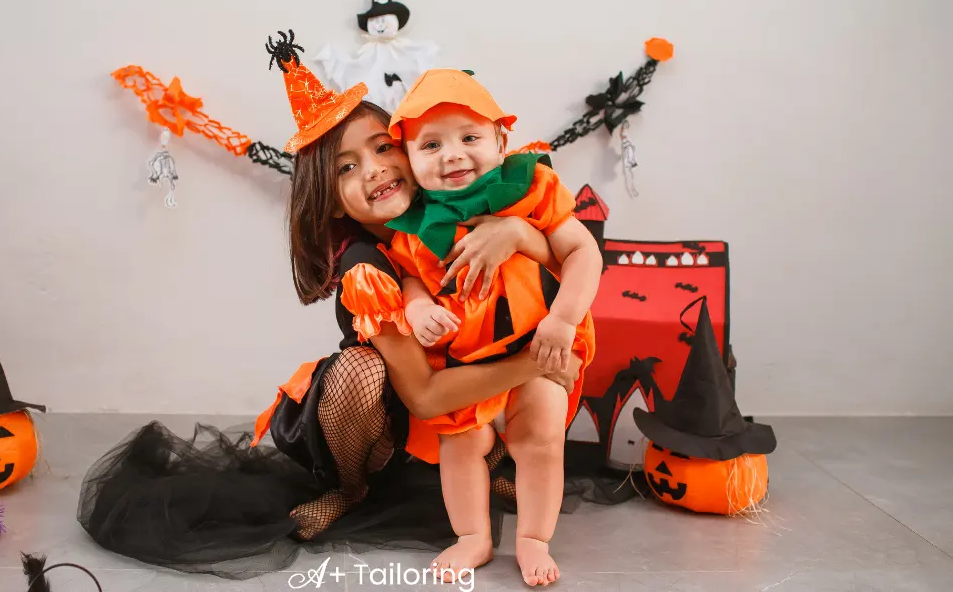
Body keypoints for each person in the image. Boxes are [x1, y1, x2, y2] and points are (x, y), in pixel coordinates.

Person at [76, 33, 628, 582]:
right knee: (373, 378)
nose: (374, 169)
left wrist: (517, 234)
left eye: (383, 148)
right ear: (331, 199)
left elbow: (567, 253)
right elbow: (426, 393)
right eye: (345, 168)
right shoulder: (369, 263)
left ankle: (512, 498)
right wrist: (528, 359)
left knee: (529, 435)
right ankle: (352, 488)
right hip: (406, 406)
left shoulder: (466, 191)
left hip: (483, 370)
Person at [383, 68, 602, 585]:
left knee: (539, 435)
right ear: (409, 161)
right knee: (460, 444)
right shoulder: (415, 223)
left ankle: (533, 538)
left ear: (501, 142)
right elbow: (409, 277)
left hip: (540, 339)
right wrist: (418, 308)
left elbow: (583, 252)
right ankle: (472, 536)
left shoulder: (532, 190)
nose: (453, 155)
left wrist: (563, 319)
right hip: (467, 357)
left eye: (470, 138)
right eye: (431, 145)